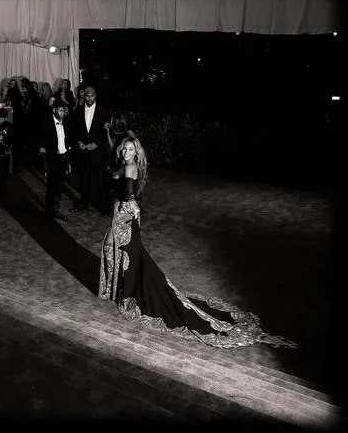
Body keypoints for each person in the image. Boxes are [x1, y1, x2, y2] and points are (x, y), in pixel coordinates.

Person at [99, 136, 297, 348]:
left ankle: (123, 291)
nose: (127, 152)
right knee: (118, 249)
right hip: (121, 216)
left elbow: (129, 194)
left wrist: (126, 208)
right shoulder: (126, 166)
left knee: (128, 254)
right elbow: (122, 185)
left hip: (124, 217)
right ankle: (116, 289)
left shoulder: (130, 169)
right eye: (125, 149)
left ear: (136, 153)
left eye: (131, 150)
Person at [70, 86, 110, 216]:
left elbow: (106, 133)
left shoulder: (103, 112)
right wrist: (78, 142)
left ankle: (104, 207)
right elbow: (74, 131)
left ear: (95, 95)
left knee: (100, 180)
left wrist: (96, 144)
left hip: (97, 152)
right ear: (83, 96)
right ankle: (84, 203)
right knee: (83, 179)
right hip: (83, 152)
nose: (89, 98)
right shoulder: (77, 111)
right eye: (87, 96)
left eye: (92, 95)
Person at [39, 99, 73, 221]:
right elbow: (41, 143)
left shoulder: (67, 123)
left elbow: (67, 142)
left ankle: (54, 208)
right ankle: (50, 211)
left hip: (63, 158)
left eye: (64, 110)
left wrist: (68, 160)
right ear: (54, 110)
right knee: (52, 186)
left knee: (59, 186)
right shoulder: (46, 124)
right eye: (60, 110)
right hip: (53, 159)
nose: (62, 112)